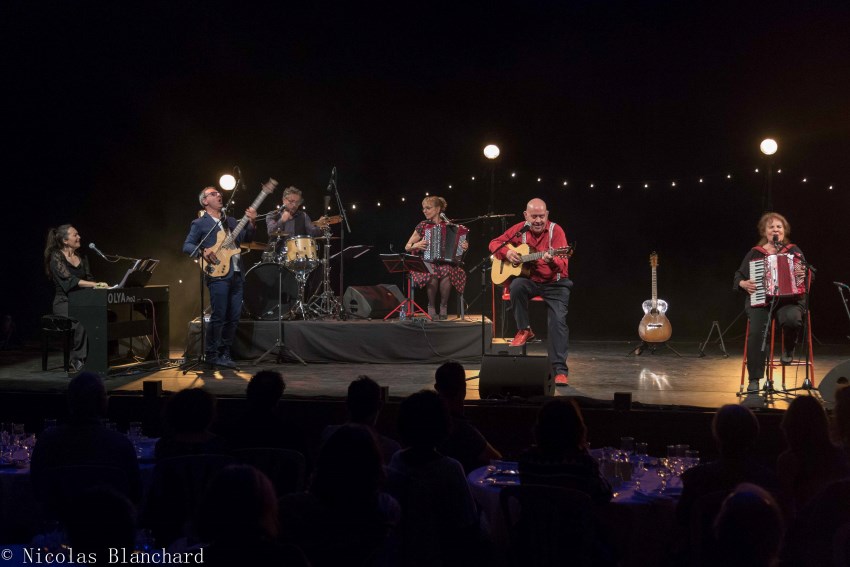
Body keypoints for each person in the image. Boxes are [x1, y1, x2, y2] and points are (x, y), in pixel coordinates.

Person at [488, 198, 572, 386]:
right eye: (534, 216)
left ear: (547, 215)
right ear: (526, 216)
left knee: (557, 322)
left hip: (556, 285)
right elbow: (494, 244)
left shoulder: (556, 231)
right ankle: (524, 329)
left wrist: (552, 260)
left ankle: (559, 370)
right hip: (532, 282)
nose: (538, 220)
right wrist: (507, 253)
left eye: (542, 216)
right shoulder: (520, 229)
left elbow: (563, 266)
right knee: (517, 285)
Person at [182, 186, 257, 367]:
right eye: (213, 194)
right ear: (205, 201)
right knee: (219, 315)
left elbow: (246, 237)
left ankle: (225, 353)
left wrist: (252, 222)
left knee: (234, 316)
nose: (219, 195)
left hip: (237, 273)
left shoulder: (230, 221)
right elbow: (187, 246)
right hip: (218, 274)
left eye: (219, 193)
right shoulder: (200, 223)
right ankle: (212, 354)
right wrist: (202, 251)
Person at [734, 212, 807, 392]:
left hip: (789, 300)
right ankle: (754, 379)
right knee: (758, 332)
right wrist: (743, 283)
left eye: (779, 227)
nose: (775, 229)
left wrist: (803, 274)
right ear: (764, 232)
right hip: (762, 301)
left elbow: (807, 276)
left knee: (791, 318)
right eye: (771, 227)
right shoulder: (756, 253)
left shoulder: (793, 251)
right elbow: (738, 276)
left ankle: (788, 350)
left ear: (784, 231)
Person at [43, 225, 109, 372]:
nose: (79, 237)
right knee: (81, 320)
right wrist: (94, 284)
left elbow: (90, 279)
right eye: (75, 235)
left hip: (82, 301)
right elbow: (69, 281)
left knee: (105, 314)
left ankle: (100, 356)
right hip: (64, 302)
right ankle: (78, 358)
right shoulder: (56, 257)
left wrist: (101, 287)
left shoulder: (82, 257)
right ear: (65, 240)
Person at [404, 196, 468, 320]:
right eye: (423, 208)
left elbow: (458, 245)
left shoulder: (449, 225)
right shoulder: (423, 225)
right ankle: (431, 306)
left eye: (428, 208)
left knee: (447, 271)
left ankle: (443, 306)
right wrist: (416, 245)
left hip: (445, 262)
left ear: (438, 209)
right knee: (431, 272)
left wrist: (463, 246)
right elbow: (407, 246)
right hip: (426, 261)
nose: (425, 211)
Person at [434, 361, 502, 473]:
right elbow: (497, 459)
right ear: (464, 388)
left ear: (437, 388)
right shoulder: (463, 430)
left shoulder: (428, 421)